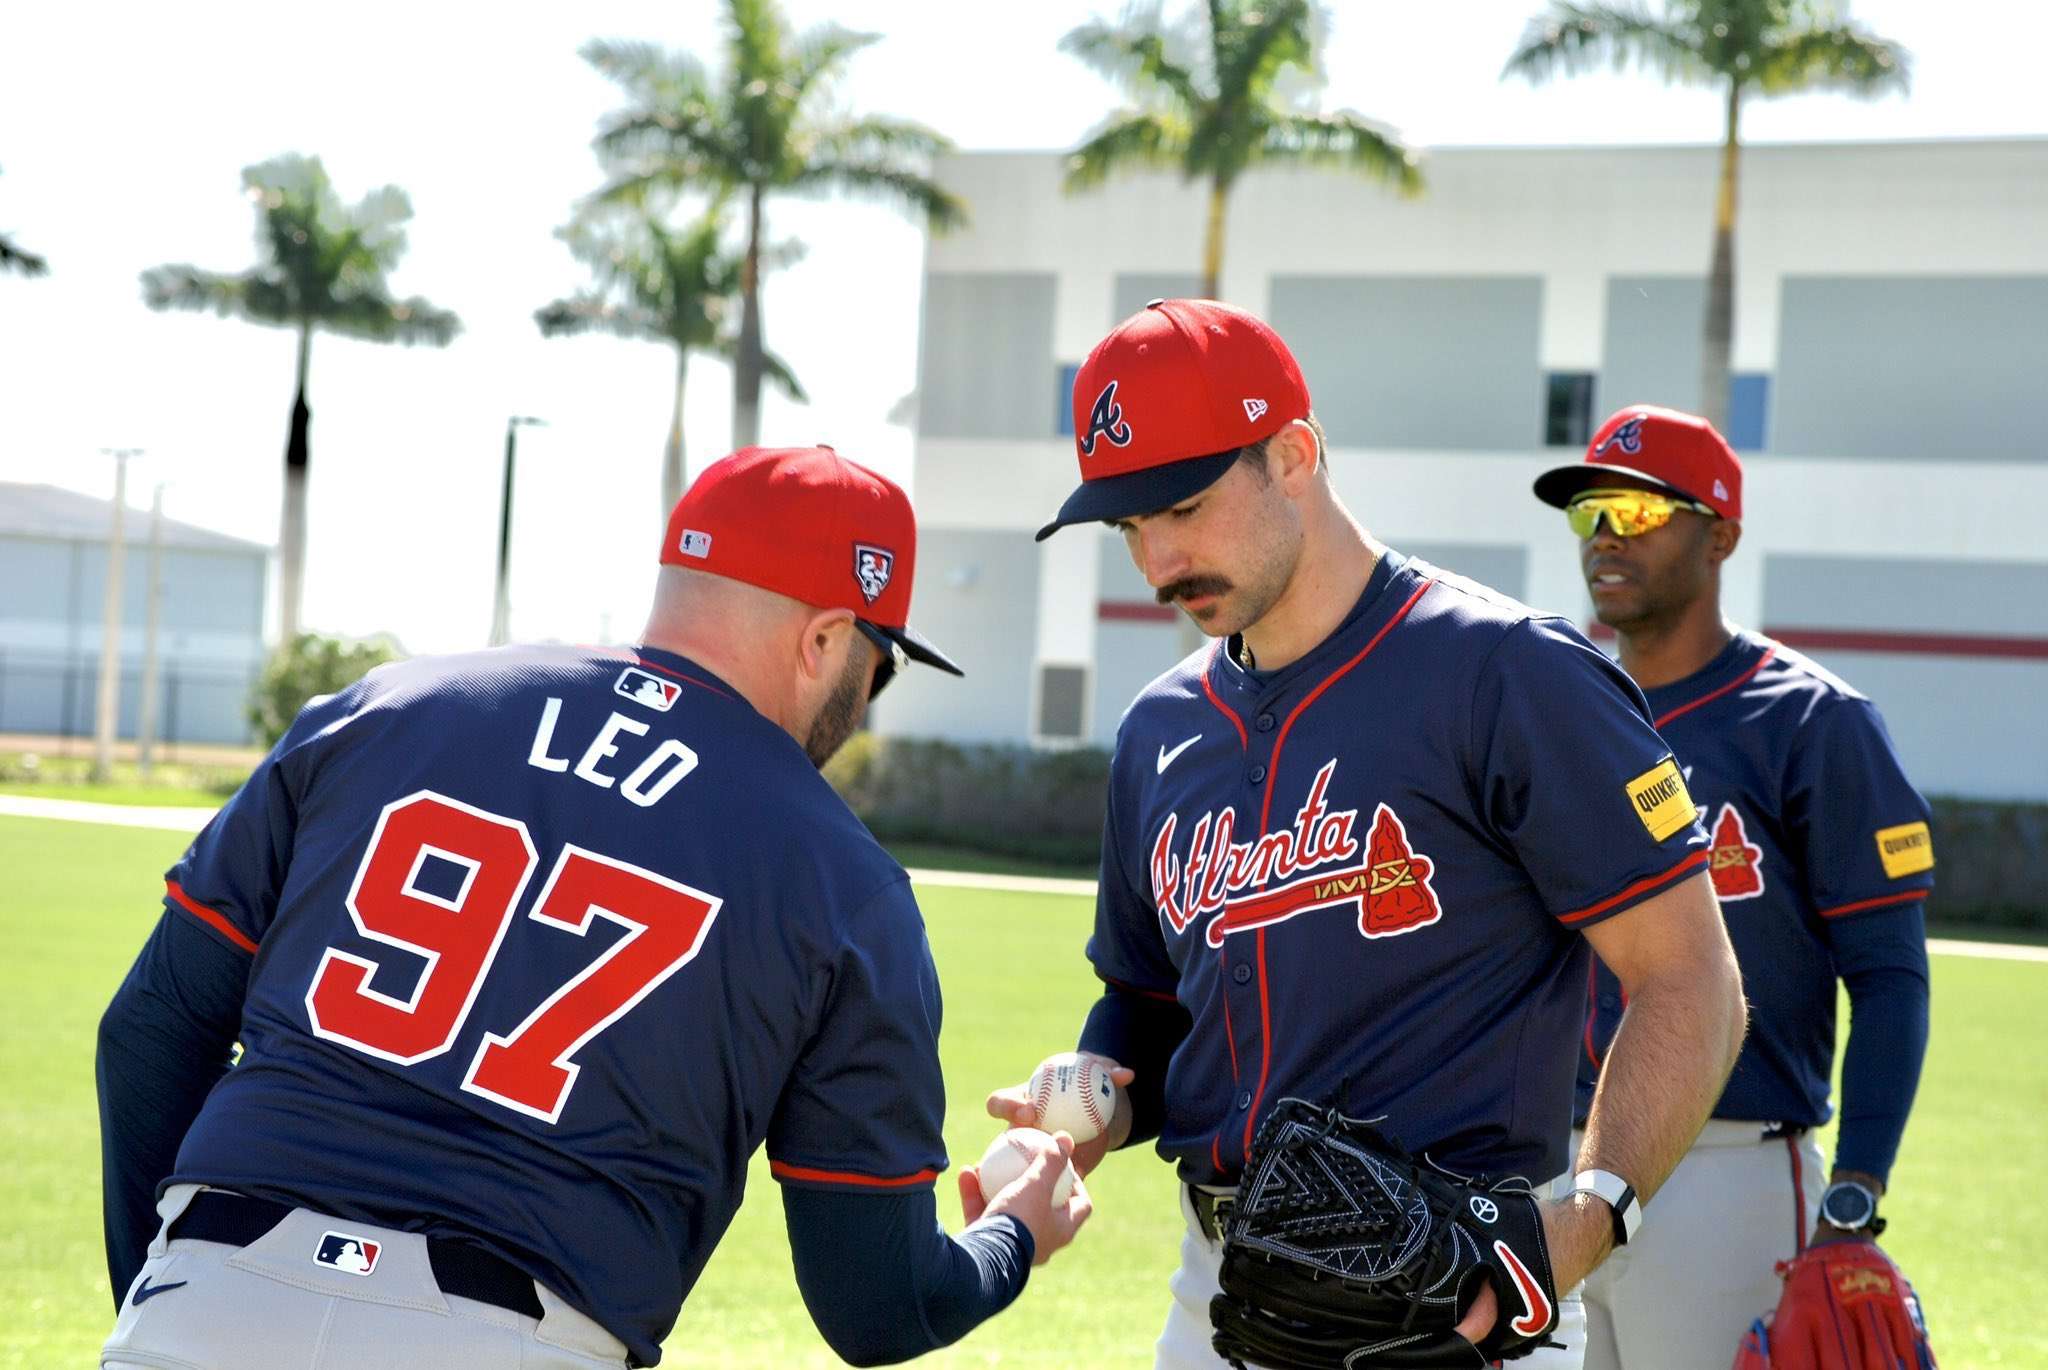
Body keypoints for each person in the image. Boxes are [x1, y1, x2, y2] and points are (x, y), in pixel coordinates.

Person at [97, 445, 1091, 1370]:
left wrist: (176, 1287)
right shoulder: (844, 877)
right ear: (826, 638)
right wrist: (1011, 1233)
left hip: (206, 1293)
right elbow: (876, 1302)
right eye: (880, 665)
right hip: (510, 1335)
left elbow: (149, 1033)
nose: (869, 697)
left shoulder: (384, 707)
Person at [996, 298, 1748, 1369]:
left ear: (1293, 455)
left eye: (1185, 506)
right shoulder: (1158, 728)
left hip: (1455, 1292)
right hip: (1219, 1292)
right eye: (1127, 527)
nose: (1158, 560)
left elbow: (1691, 979)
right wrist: (1093, 1095)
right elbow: (1147, 1002)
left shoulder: (1507, 673)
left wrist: (1584, 1220)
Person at [1532, 406, 1935, 1370]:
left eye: (1637, 512)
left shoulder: (1813, 722)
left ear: (1719, 536)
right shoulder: (1557, 713)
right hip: (1548, 1168)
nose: (1605, 537)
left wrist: (1859, 1186)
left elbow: (1889, 978)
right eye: (1590, 514)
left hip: (1727, 1169)